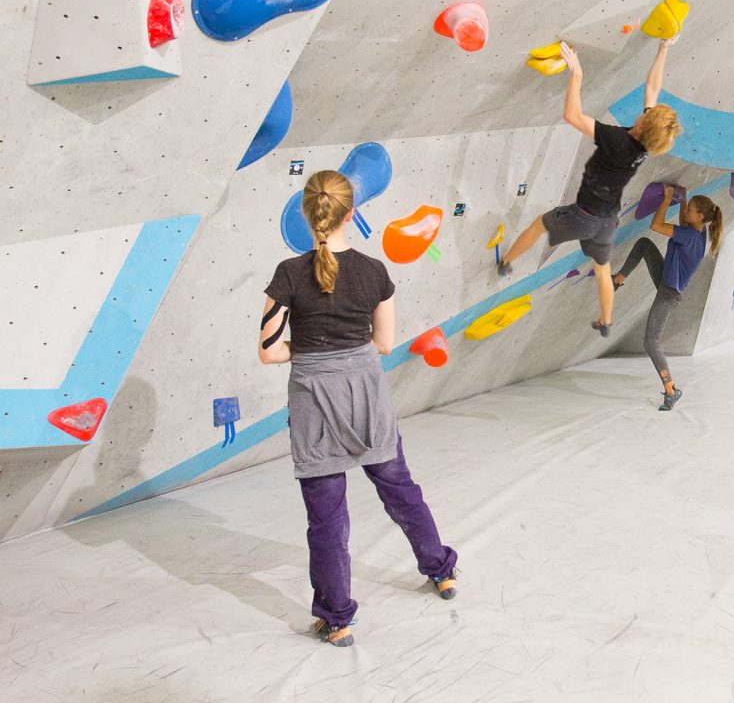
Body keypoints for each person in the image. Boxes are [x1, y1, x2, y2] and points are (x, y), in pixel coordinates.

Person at [259, 171, 458, 648]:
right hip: (367, 397)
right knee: (401, 491)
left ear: (307, 215)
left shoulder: (288, 273)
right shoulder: (374, 271)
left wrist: (305, 347)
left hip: (315, 404)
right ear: (352, 213)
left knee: (327, 520)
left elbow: (269, 351)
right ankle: (441, 572)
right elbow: (385, 343)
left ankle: (338, 619)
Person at [498, 38, 683, 337]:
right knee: (601, 270)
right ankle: (606, 321)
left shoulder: (617, 141)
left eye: (648, 113)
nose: (646, 109)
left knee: (538, 225)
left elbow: (572, 115)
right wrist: (664, 49)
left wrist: (577, 75)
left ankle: (506, 262)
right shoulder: (646, 142)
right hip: (607, 224)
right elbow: (652, 89)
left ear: (643, 124)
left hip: (583, 216)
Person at [611, 185, 722, 410]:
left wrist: (666, 200)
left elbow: (656, 225)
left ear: (700, 216)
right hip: (666, 279)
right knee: (643, 245)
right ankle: (617, 281)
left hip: (669, 293)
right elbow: (683, 221)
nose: (687, 212)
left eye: (691, 210)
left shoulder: (690, 235)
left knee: (651, 343)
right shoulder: (698, 231)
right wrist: (683, 200)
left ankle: (671, 390)